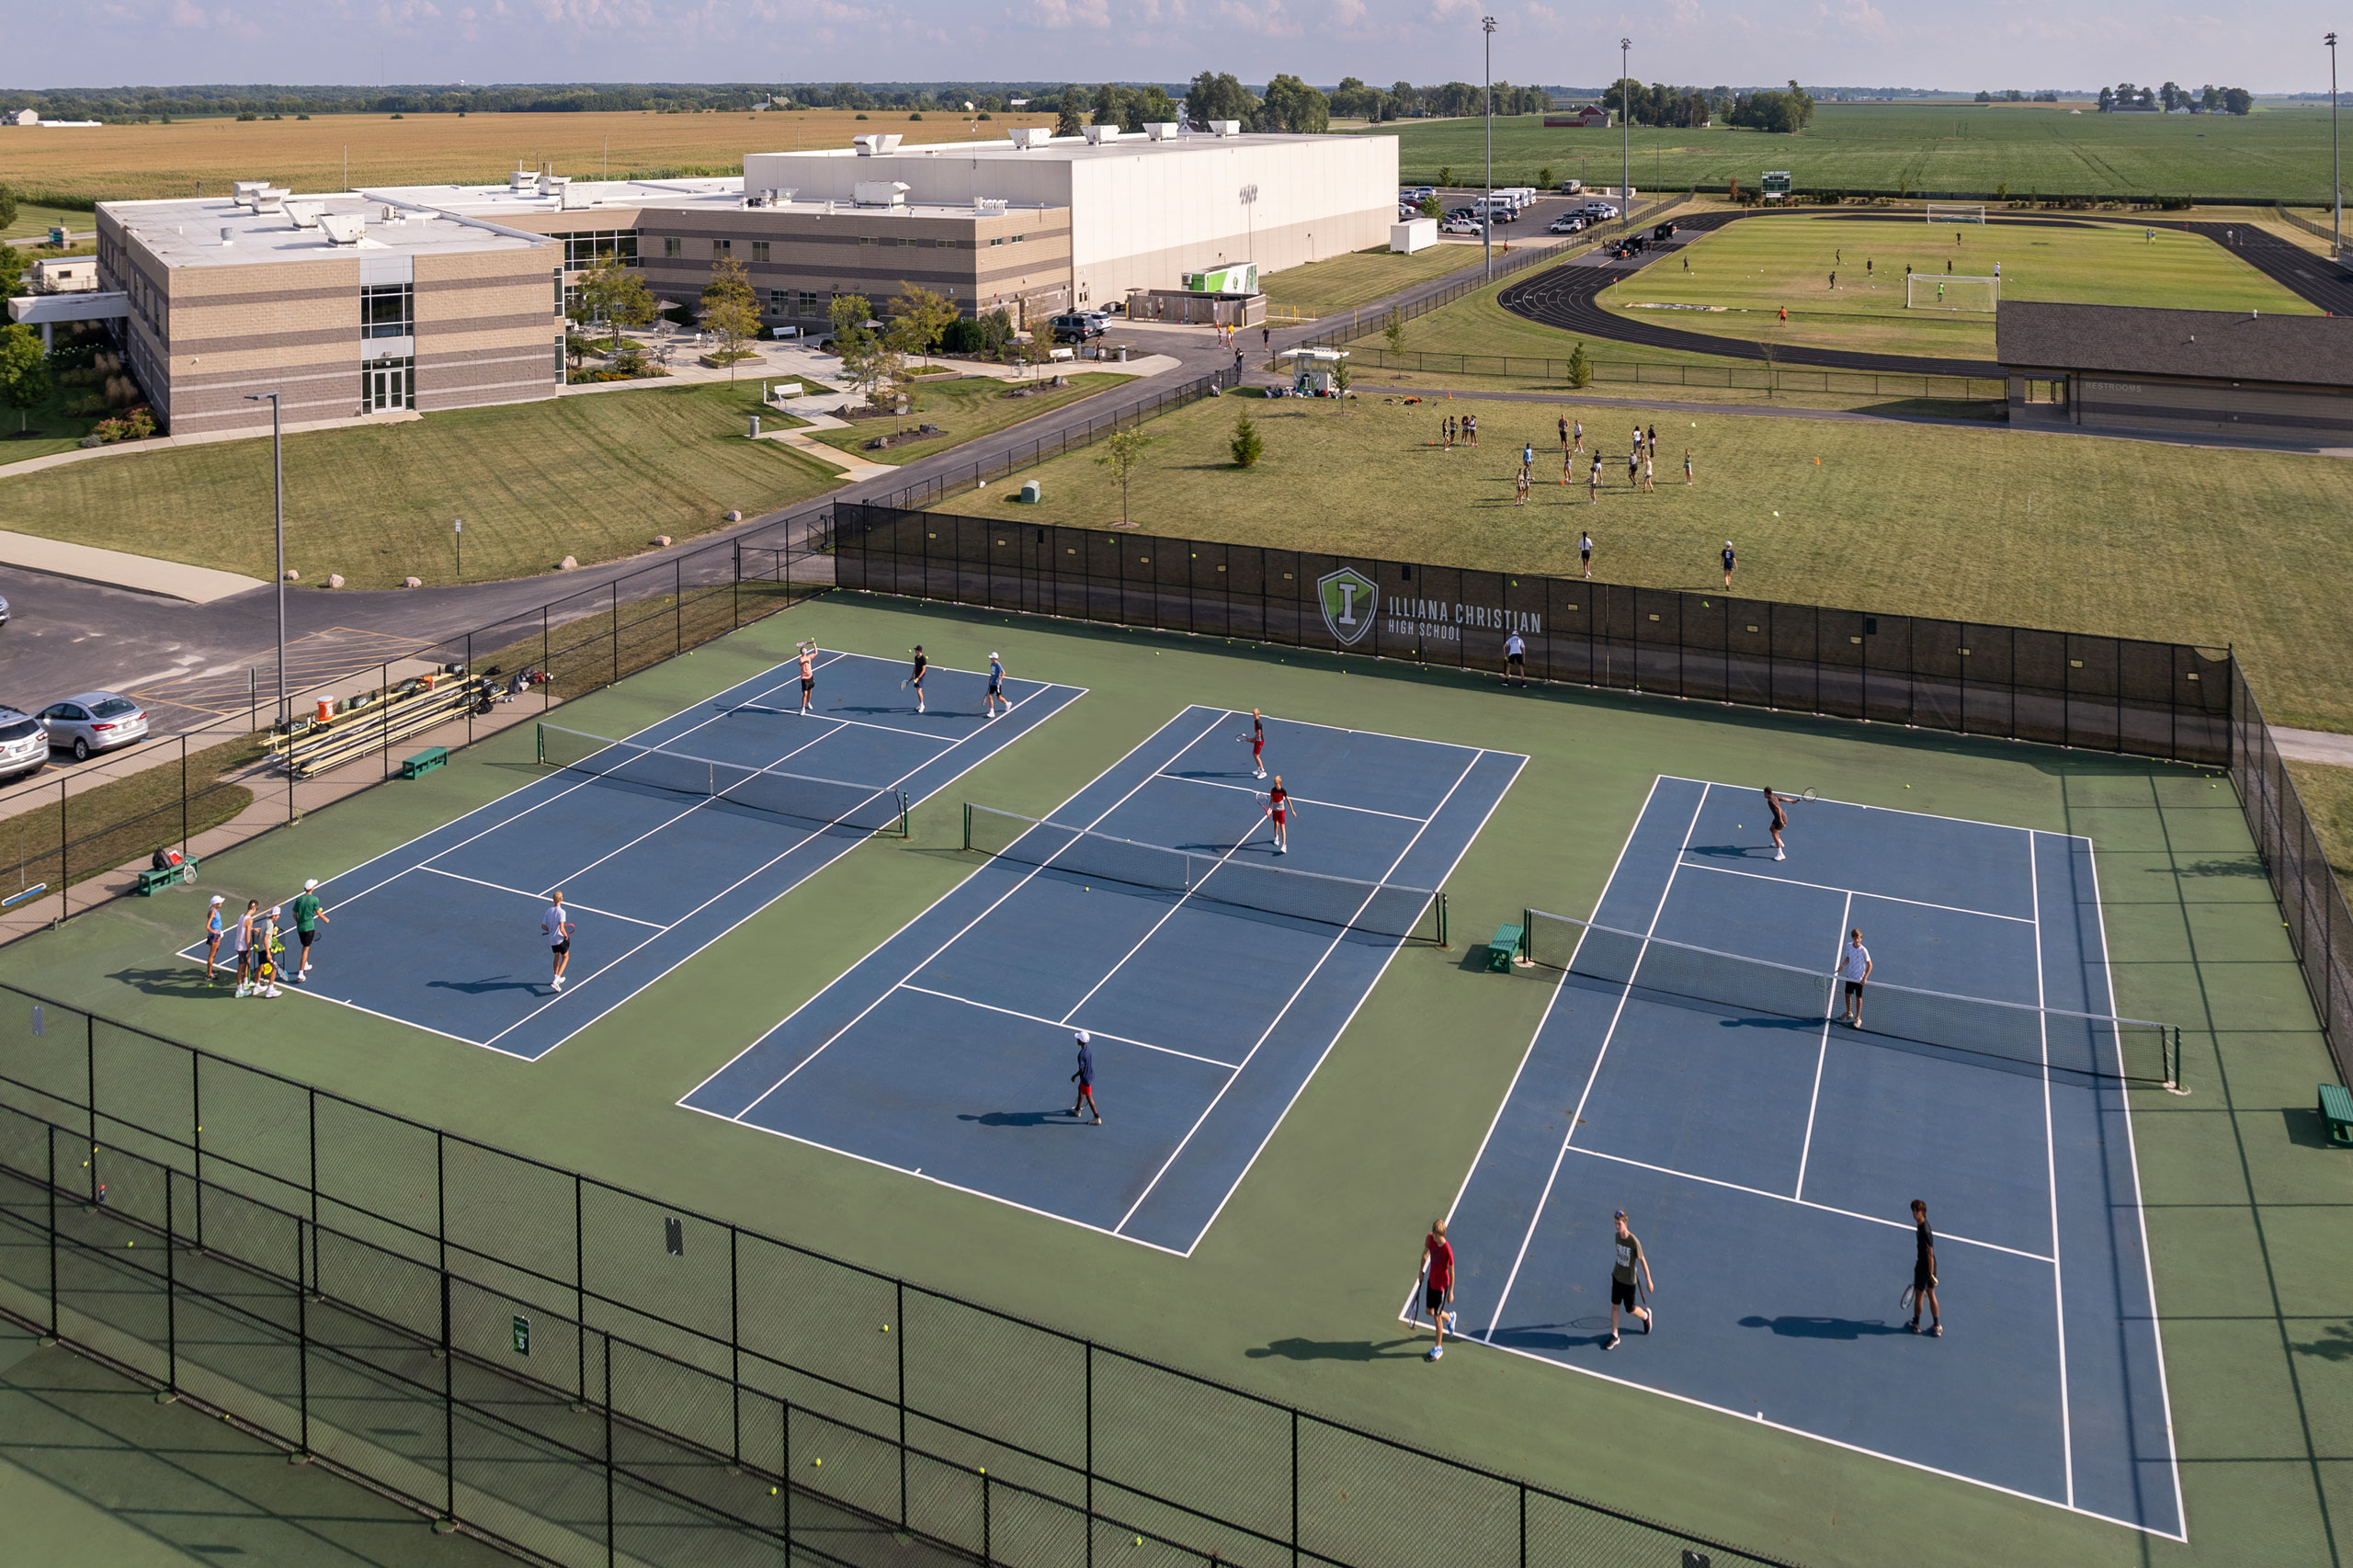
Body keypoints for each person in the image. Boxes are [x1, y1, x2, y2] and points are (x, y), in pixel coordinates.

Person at [1606, 1209, 1654, 1348]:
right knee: (1615, 1305)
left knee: (1630, 1309)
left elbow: (1642, 1260)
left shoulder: (1634, 1241)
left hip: (1629, 1281)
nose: (1616, 1226)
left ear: (1625, 1223)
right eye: (1615, 1223)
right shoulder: (1616, 1237)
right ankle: (1615, 1335)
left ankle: (1645, 1316)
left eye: (1619, 1224)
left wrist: (1648, 1280)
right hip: (1617, 1276)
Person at [1420, 1219, 1457, 1360]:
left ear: (1442, 1235)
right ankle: (1450, 1317)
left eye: (1437, 1235)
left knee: (1436, 1316)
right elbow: (1425, 1254)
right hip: (1431, 1282)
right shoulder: (1430, 1239)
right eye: (1434, 1234)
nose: (1434, 1237)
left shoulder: (1447, 1251)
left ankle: (1438, 1348)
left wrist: (1451, 1291)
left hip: (1441, 1287)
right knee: (1429, 1312)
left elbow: (1452, 1272)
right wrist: (1421, 1272)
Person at [1907, 1199, 1942, 1336]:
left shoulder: (1924, 1230)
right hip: (1929, 1268)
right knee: (1931, 1293)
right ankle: (1937, 1325)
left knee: (1919, 1295)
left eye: (1916, 1211)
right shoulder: (1922, 1225)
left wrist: (1929, 1272)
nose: (1914, 1214)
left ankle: (1916, 1324)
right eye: (1913, 1211)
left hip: (1924, 1267)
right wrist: (1932, 1273)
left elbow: (1930, 1253)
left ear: (1922, 1212)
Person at [290, 878, 328, 983]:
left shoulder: (299, 899)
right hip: (309, 927)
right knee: (306, 949)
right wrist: (325, 919)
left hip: (300, 928)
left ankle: (305, 964)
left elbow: (294, 914)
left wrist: (298, 922)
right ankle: (301, 973)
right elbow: (318, 913)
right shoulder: (315, 899)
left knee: (305, 946)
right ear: (312, 888)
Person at [1838, 927, 1872, 1028]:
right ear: (1852, 938)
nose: (1857, 940)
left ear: (1861, 939)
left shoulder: (1863, 951)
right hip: (1850, 976)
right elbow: (1848, 958)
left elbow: (1870, 965)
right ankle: (1849, 1013)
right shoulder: (1849, 946)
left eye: (1858, 938)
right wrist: (1842, 966)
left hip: (1859, 979)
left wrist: (1864, 978)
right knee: (1847, 994)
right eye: (1855, 938)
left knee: (1858, 998)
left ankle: (1858, 1018)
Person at [544, 891, 575, 993]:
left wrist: (551, 930)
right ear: (561, 899)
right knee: (566, 957)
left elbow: (543, 926)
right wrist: (566, 936)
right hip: (560, 939)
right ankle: (556, 981)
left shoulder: (548, 911)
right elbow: (562, 928)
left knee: (556, 956)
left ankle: (556, 977)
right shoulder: (562, 912)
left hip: (552, 940)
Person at [1070, 1029, 1101, 1123]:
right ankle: (1077, 1109)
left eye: (1078, 1039)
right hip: (1090, 1074)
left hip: (1085, 1078)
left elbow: (1081, 1070)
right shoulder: (1088, 1049)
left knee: (1089, 1097)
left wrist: (1074, 1076)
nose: (1077, 1040)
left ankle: (1097, 1118)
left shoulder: (1081, 1055)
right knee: (1080, 1089)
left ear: (1081, 1041)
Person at [1761, 785, 1799, 860]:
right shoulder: (1774, 796)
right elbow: (1783, 799)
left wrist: (1781, 820)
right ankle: (1779, 842)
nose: (1764, 795)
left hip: (1780, 818)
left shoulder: (1770, 801)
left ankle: (1780, 854)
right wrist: (1792, 800)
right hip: (1777, 817)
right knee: (1771, 829)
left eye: (1764, 793)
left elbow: (1778, 809)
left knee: (1774, 833)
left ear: (1767, 793)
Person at [233, 898, 261, 997]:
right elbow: (247, 936)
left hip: (238, 944)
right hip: (243, 947)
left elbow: (243, 928)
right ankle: (239, 990)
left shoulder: (242, 916)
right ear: (253, 909)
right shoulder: (249, 920)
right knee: (240, 968)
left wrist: (253, 928)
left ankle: (245, 983)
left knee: (244, 965)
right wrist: (249, 949)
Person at [1265, 775, 1296, 855]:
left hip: (1281, 811)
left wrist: (1292, 810)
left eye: (1276, 783)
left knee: (1282, 826)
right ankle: (1276, 837)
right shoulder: (1272, 790)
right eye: (1274, 783)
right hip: (1275, 810)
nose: (1274, 784)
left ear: (1279, 783)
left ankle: (1284, 845)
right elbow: (1271, 800)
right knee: (1275, 824)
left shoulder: (1283, 791)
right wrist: (1269, 808)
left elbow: (1288, 800)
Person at [204, 894, 227, 985]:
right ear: (216, 903)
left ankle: (210, 970)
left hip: (216, 935)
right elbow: (207, 927)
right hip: (214, 936)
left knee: (213, 954)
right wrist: (214, 932)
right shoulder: (213, 912)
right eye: (220, 902)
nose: (221, 903)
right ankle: (209, 975)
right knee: (212, 955)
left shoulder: (215, 911)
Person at [903, 645, 928, 714]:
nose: (915, 651)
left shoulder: (923, 659)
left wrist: (918, 677)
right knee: (917, 690)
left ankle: (922, 705)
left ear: (919, 651)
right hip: (916, 675)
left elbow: (924, 670)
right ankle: (921, 704)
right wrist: (912, 675)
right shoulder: (916, 657)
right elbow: (915, 666)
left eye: (916, 650)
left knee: (919, 690)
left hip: (921, 676)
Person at [1243, 708, 1267, 779]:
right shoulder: (1256, 721)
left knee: (1256, 755)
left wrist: (1252, 739)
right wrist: (1253, 740)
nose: (1254, 716)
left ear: (1258, 715)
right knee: (1254, 754)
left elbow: (1259, 734)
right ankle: (1259, 769)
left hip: (1260, 741)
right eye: (1253, 714)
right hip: (1258, 740)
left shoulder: (1258, 723)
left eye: (1255, 714)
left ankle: (1263, 771)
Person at [796, 640, 818, 714]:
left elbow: (816, 653)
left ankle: (808, 703)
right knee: (805, 693)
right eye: (803, 650)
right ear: (802, 652)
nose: (805, 651)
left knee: (810, 691)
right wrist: (805, 662)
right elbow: (800, 663)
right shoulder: (801, 659)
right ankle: (803, 709)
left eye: (805, 650)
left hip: (810, 677)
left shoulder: (809, 657)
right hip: (804, 679)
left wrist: (814, 644)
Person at [985, 651, 1008, 717]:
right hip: (992, 683)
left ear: (994, 658)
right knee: (990, 696)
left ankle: (1007, 703)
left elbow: (1004, 672)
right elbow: (992, 673)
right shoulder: (992, 664)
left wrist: (999, 680)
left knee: (999, 698)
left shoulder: (998, 665)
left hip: (997, 684)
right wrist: (990, 680)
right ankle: (992, 711)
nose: (990, 658)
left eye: (991, 657)